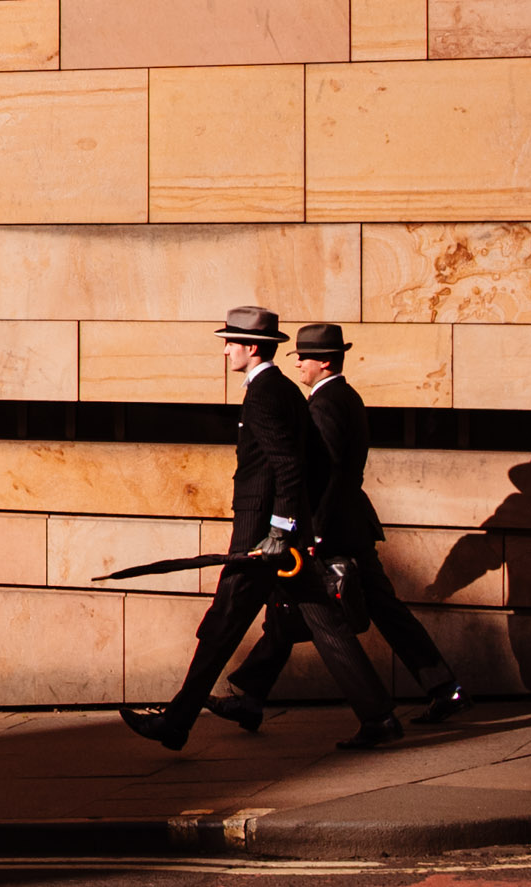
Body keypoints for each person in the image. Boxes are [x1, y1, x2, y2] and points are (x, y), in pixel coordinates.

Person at [118, 307, 405, 751]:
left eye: (231, 342)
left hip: (262, 540)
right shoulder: (285, 390)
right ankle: (379, 717)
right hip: (281, 539)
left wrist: (279, 530)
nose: (227, 350)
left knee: (223, 626)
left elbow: (289, 467)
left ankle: (176, 722)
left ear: (252, 347)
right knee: (326, 626)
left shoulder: (265, 394)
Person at [210, 323, 472, 729]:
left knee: (331, 607)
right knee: (299, 607)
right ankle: (251, 696)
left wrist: (313, 532)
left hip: (334, 529)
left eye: (305, 356)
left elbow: (326, 475)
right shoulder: (344, 396)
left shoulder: (326, 404)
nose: (297, 362)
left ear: (325, 361)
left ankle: (435, 690)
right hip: (349, 524)